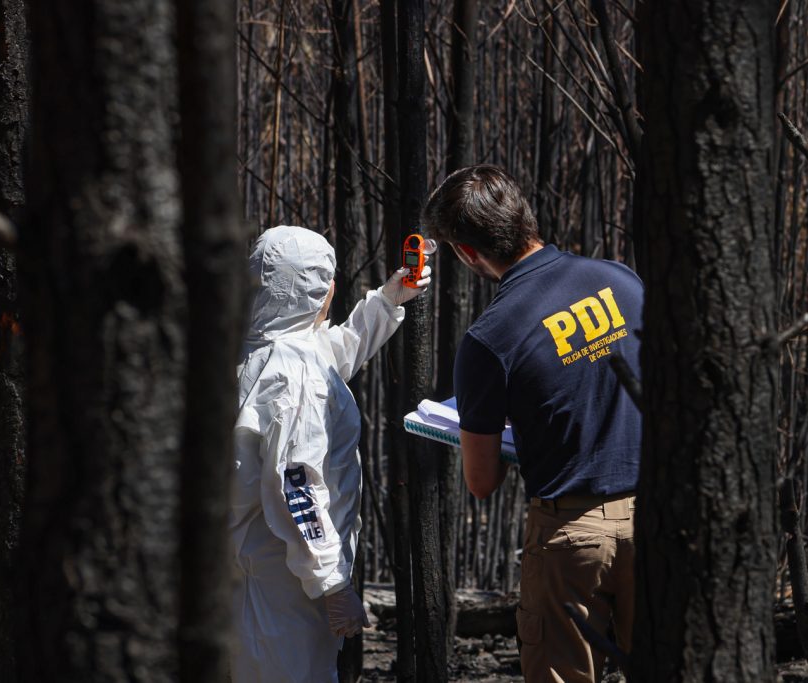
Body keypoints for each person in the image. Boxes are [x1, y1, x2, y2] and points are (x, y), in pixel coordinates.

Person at [423, 165, 643, 682]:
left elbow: (481, 483)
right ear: (524, 215)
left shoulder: (489, 339)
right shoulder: (622, 280)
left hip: (570, 534)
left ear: (467, 253)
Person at [229, 225, 431, 683]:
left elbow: (326, 354)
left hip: (251, 573)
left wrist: (386, 302)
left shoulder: (258, 352)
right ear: (321, 289)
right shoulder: (293, 377)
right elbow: (296, 487)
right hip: (284, 588)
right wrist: (332, 583)